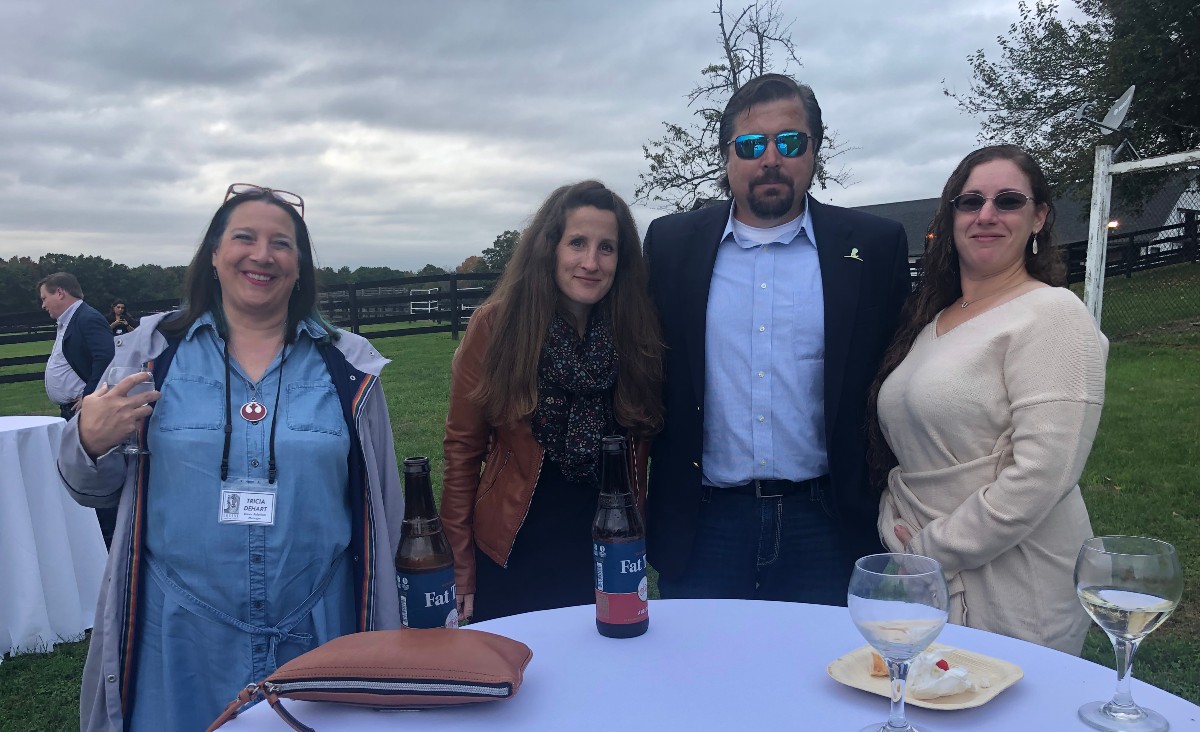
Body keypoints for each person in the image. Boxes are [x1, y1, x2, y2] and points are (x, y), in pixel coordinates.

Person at [57, 184, 404, 731]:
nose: (262, 255)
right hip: (179, 635)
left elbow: (386, 504)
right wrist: (90, 440)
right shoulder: (149, 356)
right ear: (214, 256)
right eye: (244, 238)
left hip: (318, 625)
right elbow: (87, 487)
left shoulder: (348, 367)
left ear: (300, 266)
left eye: (282, 244)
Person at [644, 74, 911, 605]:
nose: (771, 158)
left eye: (790, 142)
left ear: (814, 151)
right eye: (751, 144)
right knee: (699, 678)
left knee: (831, 679)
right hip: (705, 519)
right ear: (727, 156)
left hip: (827, 520)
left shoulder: (874, 248)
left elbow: (904, 367)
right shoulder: (670, 245)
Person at [868, 144, 1107, 655]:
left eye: (1009, 201)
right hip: (928, 574)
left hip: (1016, 579)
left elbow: (1042, 474)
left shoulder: (1052, 315)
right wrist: (898, 523)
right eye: (970, 200)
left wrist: (929, 550)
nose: (987, 215)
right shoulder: (933, 320)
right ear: (951, 215)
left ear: (1039, 216)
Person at [442, 180, 663, 623]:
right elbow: (462, 453)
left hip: (608, 550)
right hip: (513, 549)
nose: (590, 262)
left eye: (607, 248)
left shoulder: (635, 332)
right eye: (577, 243)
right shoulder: (498, 327)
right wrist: (460, 568)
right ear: (550, 248)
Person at [38, 271, 118, 547]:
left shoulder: (87, 318)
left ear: (60, 292)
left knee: (91, 475)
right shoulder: (70, 321)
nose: (43, 305)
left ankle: (107, 542)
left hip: (86, 411)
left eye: (45, 297)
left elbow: (107, 358)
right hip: (73, 410)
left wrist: (91, 395)